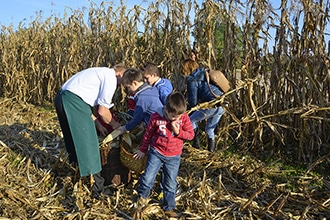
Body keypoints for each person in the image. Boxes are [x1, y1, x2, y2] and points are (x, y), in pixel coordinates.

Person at [54, 64, 126, 199]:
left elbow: (85, 102)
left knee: (75, 139)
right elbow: (103, 111)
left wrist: (97, 123)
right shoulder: (110, 78)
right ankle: (98, 189)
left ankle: (78, 175)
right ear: (120, 74)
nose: (123, 85)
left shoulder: (100, 72)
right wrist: (116, 125)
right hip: (72, 101)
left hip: (62, 99)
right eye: (124, 81)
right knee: (90, 144)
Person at [134, 92, 194, 218]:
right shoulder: (156, 117)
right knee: (148, 177)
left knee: (170, 182)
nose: (177, 118)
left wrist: (178, 132)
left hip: (174, 156)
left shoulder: (184, 118)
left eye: (179, 116)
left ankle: (169, 207)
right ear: (166, 109)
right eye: (173, 116)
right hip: (157, 152)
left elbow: (190, 135)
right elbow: (148, 134)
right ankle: (141, 202)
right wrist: (143, 150)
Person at [180, 59, 226, 152]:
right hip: (223, 104)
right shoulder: (205, 73)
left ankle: (196, 145)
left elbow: (193, 101)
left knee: (190, 120)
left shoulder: (192, 80)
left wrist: (189, 111)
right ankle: (211, 153)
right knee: (209, 129)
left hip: (211, 105)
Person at [117, 68, 163, 134]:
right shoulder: (151, 90)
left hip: (157, 127)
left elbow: (137, 118)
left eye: (128, 87)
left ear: (134, 83)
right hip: (160, 122)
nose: (129, 90)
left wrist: (125, 128)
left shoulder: (142, 98)